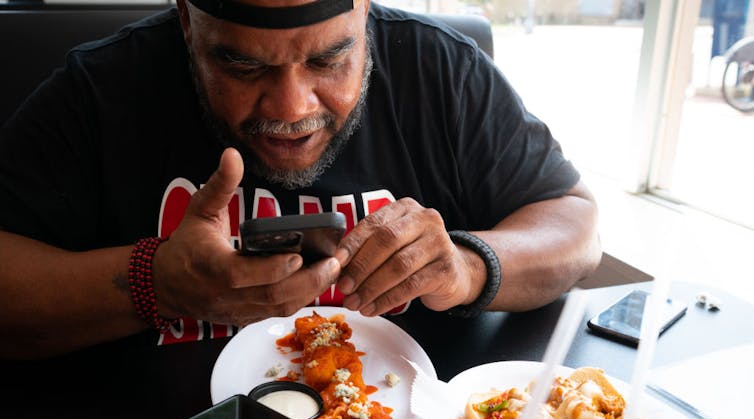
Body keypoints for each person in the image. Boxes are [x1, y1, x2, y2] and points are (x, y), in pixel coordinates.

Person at [0, 0, 601, 359]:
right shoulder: (100, 91)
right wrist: (152, 284)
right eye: (242, 63)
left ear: (365, 9)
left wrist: (469, 265)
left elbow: (574, 223)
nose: (291, 108)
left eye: (328, 59)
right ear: (186, 21)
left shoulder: (441, 72)